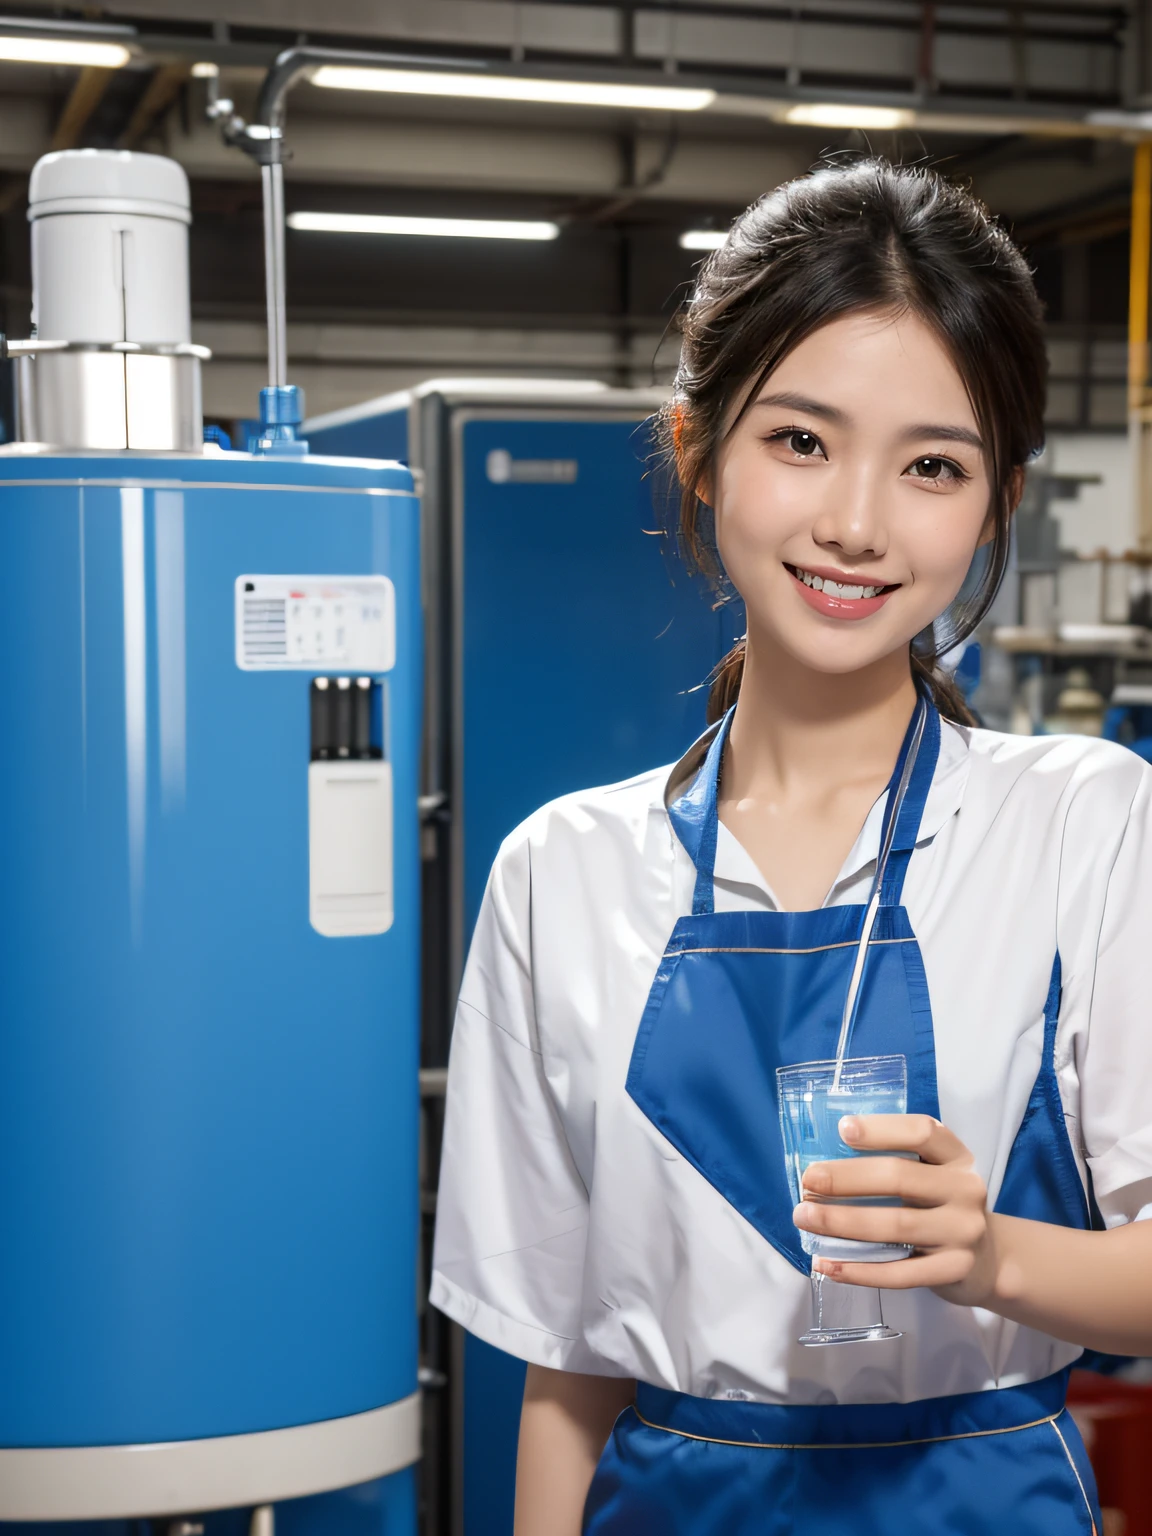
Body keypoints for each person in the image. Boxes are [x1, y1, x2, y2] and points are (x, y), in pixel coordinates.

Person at [430, 159, 1152, 1534]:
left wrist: (992, 1255)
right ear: (698, 447)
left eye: (932, 465)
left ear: (997, 500)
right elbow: (571, 1370)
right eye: (802, 440)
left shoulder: (1085, 823)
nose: (857, 524)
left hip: (977, 1500)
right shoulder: (562, 874)